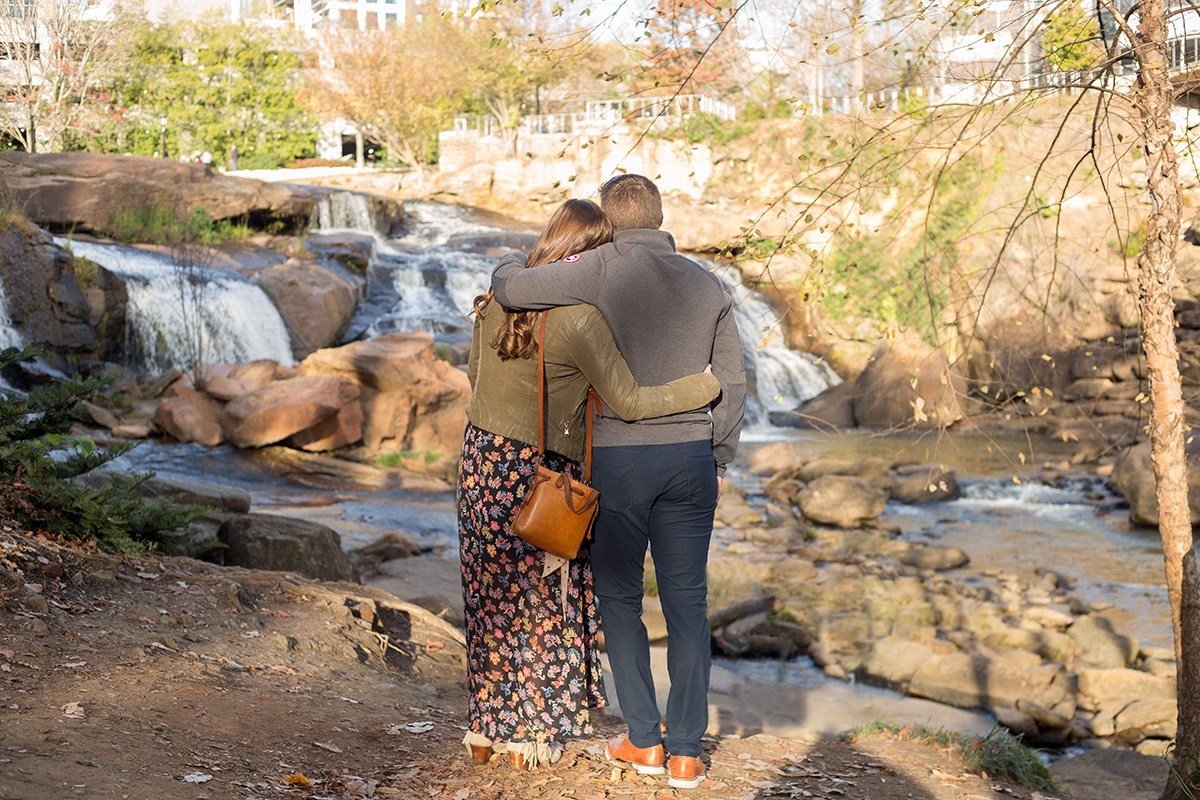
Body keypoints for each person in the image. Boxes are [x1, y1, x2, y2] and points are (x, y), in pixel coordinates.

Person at [491, 175, 747, 790]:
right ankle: (687, 752)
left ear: (608, 221)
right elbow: (733, 384)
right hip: (689, 458)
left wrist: (508, 257)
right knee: (688, 605)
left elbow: (509, 289)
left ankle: (643, 740)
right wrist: (719, 456)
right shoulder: (707, 282)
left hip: (619, 460)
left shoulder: (594, 269)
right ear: (660, 218)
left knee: (622, 600)